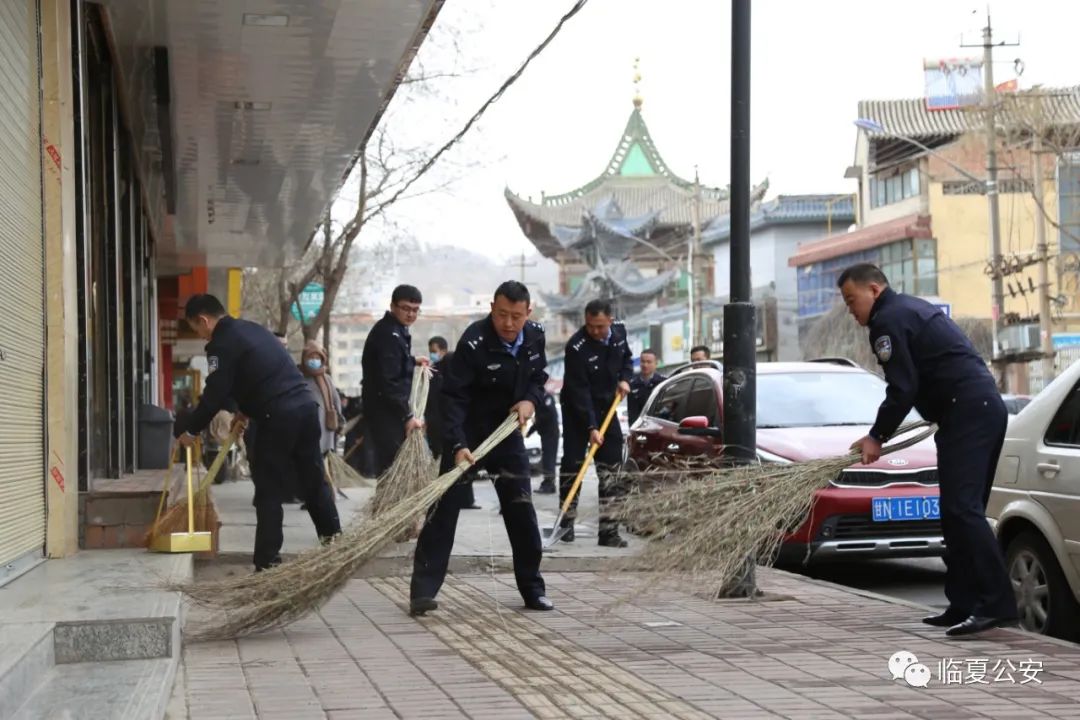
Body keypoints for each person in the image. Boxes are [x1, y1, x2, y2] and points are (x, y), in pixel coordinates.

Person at [839, 263, 1017, 637]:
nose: (850, 310)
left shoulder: (888, 321)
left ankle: (997, 604)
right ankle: (963, 604)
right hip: (975, 410)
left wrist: (877, 437)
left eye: (851, 300)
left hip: (969, 412)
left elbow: (902, 387)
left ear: (873, 289)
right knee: (957, 514)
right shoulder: (908, 309)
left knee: (962, 510)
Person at [410, 281, 552, 616]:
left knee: (521, 509)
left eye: (516, 316)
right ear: (492, 307)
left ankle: (533, 588)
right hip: (468, 435)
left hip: (505, 434)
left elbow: (538, 377)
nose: (508, 323)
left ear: (527, 313)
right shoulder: (474, 341)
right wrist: (457, 444)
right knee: (444, 511)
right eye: (502, 314)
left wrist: (530, 401)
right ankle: (423, 592)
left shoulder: (534, 336)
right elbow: (454, 398)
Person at [173, 295, 341, 571]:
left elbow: (215, 395)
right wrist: (245, 409)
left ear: (204, 320)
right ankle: (334, 541)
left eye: (197, 329)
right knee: (313, 480)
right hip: (306, 409)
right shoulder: (253, 329)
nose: (200, 336)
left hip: (277, 417)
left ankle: (268, 560)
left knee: (268, 489)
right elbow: (262, 373)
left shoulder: (219, 344)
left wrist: (191, 430)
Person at [559, 299, 633, 547]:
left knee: (611, 469)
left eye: (600, 326)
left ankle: (608, 531)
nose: (595, 331)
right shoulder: (576, 347)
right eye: (590, 326)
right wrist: (591, 427)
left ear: (610, 321)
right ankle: (566, 524)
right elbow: (579, 392)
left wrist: (624, 379)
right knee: (573, 467)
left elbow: (626, 359)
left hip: (607, 408)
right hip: (576, 411)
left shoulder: (619, 333)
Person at [361, 285, 428, 477]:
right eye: (406, 308)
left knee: (393, 467)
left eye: (415, 310)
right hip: (385, 411)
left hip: (389, 410)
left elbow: (393, 364)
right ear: (393, 306)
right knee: (392, 468)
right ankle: (390, 507)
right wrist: (407, 416)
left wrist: (412, 361)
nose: (410, 314)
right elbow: (388, 381)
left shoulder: (397, 330)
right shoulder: (388, 334)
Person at [426, 336, 480, 510]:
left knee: (458, 460)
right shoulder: (434, 373)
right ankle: (456, 500)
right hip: (443, 424)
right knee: (454, 461)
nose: (432, 355)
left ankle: (460, 499)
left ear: (443, 349)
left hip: (448, 423)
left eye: (434, 351)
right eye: (431, 352)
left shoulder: (449, 366)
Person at [529, 390, 559, 494]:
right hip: (546, 435)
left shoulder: (547, 398)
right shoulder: (541, 399)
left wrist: (535, 421)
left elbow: (547, 414)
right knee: (547, 460)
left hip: (551, 434)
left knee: (549, 460)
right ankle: (548, 482)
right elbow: (539, 420)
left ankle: (549, 485)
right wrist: (529, 432)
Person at [628, 348, 666, 425]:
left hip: (659, 426)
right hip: (639, 427)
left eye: (649, 362)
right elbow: (632, 412)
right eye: (643, 362)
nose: (645, 365)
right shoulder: (633, 384)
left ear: (656, 363)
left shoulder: (663, 383)